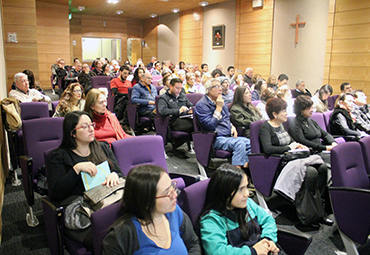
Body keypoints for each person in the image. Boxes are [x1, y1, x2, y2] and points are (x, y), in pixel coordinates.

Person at [49, 111, 124, 245]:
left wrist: (114, 175)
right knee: (114, 237)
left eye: (91, 125)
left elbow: (120, 174)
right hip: (82, 212)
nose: (91, 129)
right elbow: (56, 192)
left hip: (107, 201)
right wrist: (76, 170)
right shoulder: (59, 156)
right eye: (84, 127)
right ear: (72, 133)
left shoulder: (102, 147)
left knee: (132, 226)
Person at [259, 97, 331, 227]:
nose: (287, 113)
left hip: (293, 159)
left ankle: (320, 210)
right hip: (279, 162)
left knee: (322, 168)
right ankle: (307, 214)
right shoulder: (266, 127)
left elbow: (291, 141)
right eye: (283, 111)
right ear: (275, 114)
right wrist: (289, 148)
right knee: (311, 173)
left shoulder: (280, 125)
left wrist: (297, 145)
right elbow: (267, 148)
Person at [102, 165, 201, 255]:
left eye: (173, 187)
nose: (175, 195)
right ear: (146, 203)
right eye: (168, 193)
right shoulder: (123, 235)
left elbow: (193, 243)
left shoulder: (175, 212)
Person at [199, 164, 280, 255]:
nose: (247, 193)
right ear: (225, 192)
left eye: (246, 187)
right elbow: (217, 251)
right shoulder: (212, 220)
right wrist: (253, 251)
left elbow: (268, 220)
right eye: (241, 189)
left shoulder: (247, 203)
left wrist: (268, 240)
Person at [194, 78, 251, 168]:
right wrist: (218, 108)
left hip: (228, 136)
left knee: (251, 143)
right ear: (209, 90)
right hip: (214, 138)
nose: (220, 89)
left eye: (220, 86)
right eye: (216, 86)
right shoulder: (202, 105)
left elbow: (226, 118)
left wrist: (231, 126)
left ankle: (245, 169)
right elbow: (209, 125)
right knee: (240, 144)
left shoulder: (221, 101)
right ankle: (236, 174)